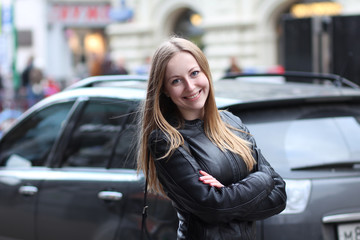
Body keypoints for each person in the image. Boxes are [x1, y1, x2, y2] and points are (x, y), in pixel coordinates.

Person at [137, 37, 286, 240]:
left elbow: (279, 196)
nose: (190, 86)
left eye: (194, 73)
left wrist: (228, 197)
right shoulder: (165, 140)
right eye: (176, 81)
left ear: (206, 72)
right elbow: (214, 208)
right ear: (164, 89)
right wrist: (263, 178)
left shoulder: (231, 122)